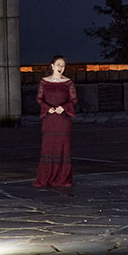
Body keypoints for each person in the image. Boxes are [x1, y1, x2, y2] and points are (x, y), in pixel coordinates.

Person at [34, 56, 78, 187]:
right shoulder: (44, 82)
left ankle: (62, 178)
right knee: (48, 146)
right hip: (49, 119)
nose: (61, 67)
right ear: (52, 66)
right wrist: (48, 108)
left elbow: (74, 99)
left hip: (62, 119)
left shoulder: (68, 82)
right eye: (58, 64)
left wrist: (63, 107)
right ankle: (46, 177)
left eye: (63, 65)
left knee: (63, 147)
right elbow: (39, 98)